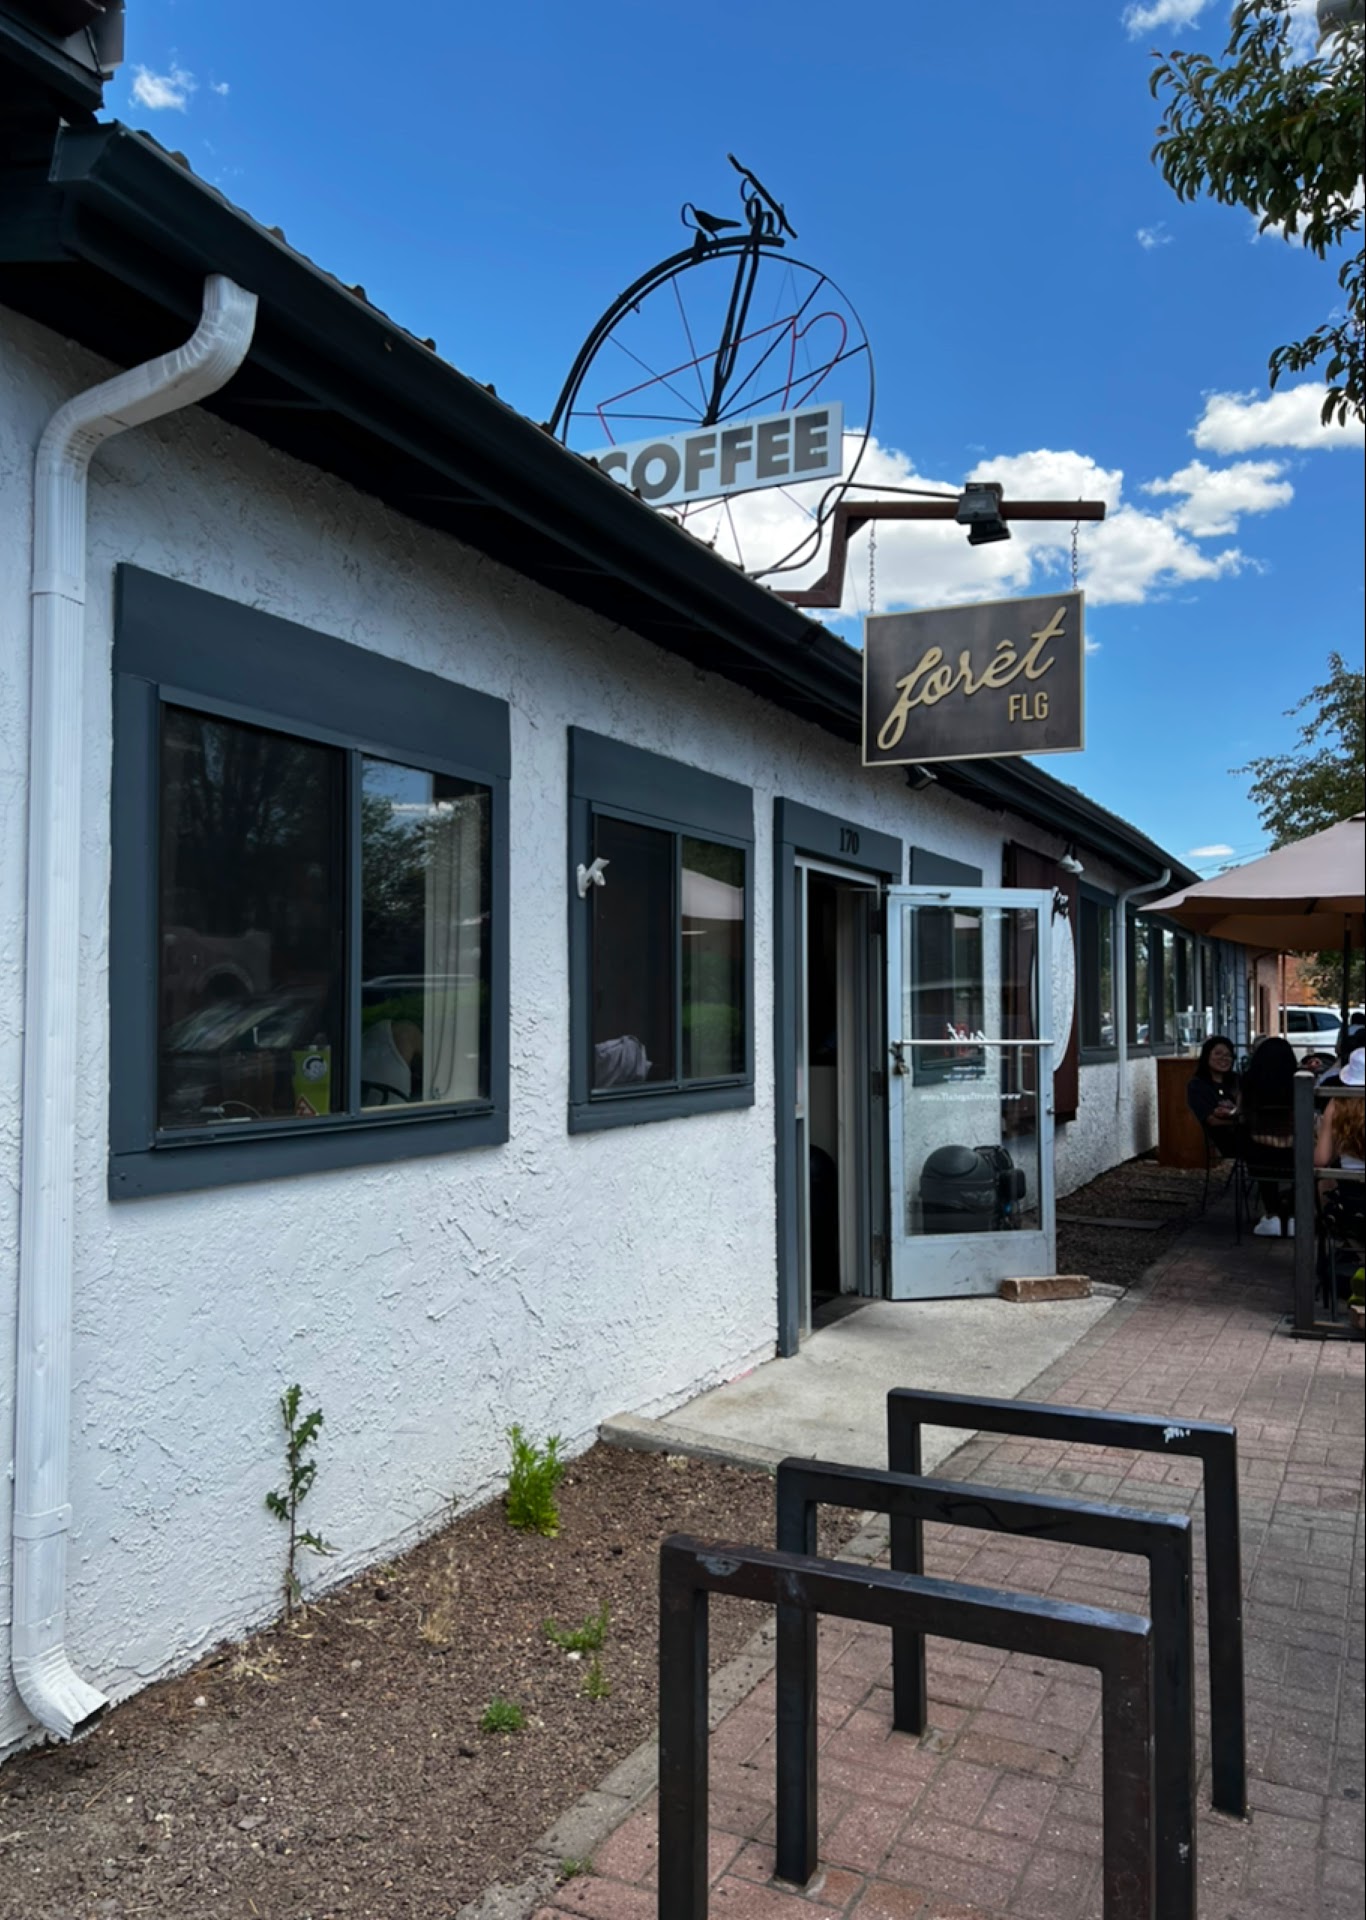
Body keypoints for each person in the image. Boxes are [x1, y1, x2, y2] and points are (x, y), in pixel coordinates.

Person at [1240, 1035, 1298, 1236]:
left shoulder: (1249, 1082)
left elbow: (1241, 1116)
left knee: (1259, 1153)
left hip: (1259, 1154)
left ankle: (1272, 1213)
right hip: (1294, 1154)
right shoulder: (1298, 1082)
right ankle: (1293, 1215)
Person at [1187, 1035, 1240, 1140]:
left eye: (1228, 1055)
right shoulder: (1197, 1086)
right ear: (1206, 1056)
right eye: (1218, 1053)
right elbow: (1211, 1121)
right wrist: (1240, 1122)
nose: (1224, 1058)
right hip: (1217, 1140)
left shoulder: (1237, 1080)